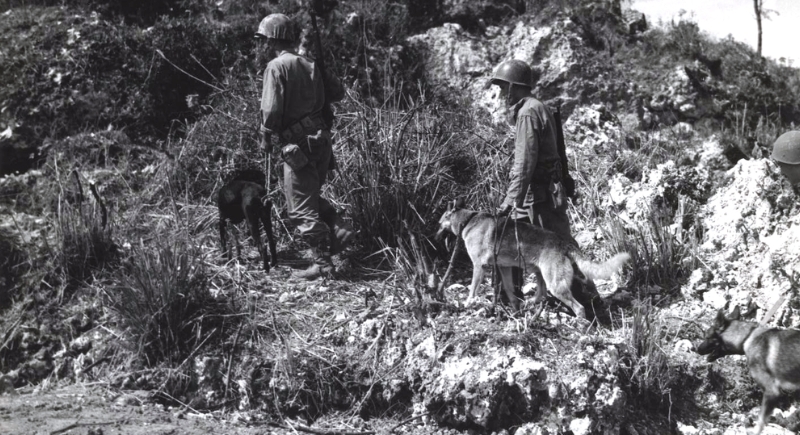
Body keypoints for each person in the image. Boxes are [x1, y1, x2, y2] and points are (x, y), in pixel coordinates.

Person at [489, 59, 606, 321]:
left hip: (539, 197)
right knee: (513, 242)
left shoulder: (528, 113)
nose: (501, 93)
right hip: (540, 194)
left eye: (503, 87)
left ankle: (590, 305)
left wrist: (511, 200)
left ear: (513, 87)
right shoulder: (536, 107)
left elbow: (525, 162)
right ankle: (506, 302)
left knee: (559, 249)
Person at [256, 13, 353, 280]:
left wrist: (265, 136)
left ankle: (322, 263)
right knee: (308, 196)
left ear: (272, 39)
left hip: (298, 145)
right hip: (321, 141)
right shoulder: (310, 63)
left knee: (299, 207)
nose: (263, 44)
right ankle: (338, 225)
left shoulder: (276, 66)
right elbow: (337, 93)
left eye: (264, 39)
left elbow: (271, 110)